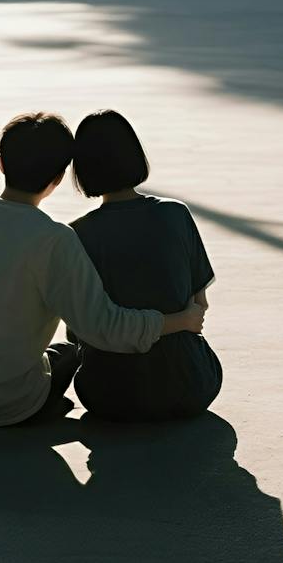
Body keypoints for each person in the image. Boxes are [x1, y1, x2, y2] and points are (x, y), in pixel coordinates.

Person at [0, 112, 205, 427]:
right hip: (4, 405)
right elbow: (104, 329)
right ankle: (38, 408)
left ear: (2, 164)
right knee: (70, 352)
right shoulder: (54, 239)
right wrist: (181, 320)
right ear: (59, 178)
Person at [68, 110, 222, 421]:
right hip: (190, 385)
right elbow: (198, 307)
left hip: (108, 395)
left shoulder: (76, 234)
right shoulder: (175, 215)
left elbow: (78, 332)